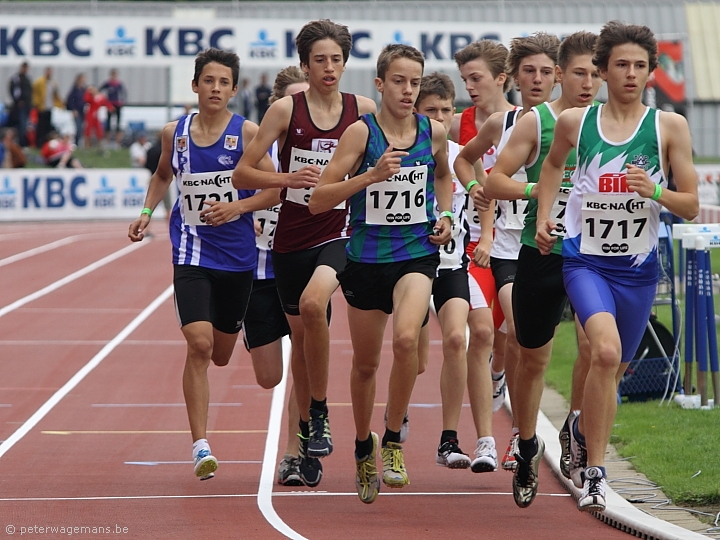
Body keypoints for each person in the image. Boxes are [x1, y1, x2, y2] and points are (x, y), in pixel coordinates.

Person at [535, 21, 698, 512]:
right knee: (603, 354)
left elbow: (689, 205)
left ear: (651, 73)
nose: (630, 74)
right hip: (585, 262)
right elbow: (551, 166)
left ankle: (578, 427)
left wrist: (656, 192)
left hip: (638, 269)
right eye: (621, 65)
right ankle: (598, 476)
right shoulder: (576, 124)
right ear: (603, 71)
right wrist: (546, 215)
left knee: (616, 365)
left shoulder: (669, 127)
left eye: (640, 66)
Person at [233, 19, 376, 488]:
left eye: (336, 59)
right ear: (304, 63)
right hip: (289, 240)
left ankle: (319, 412)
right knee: (298, 346)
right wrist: (285, 180)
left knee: (316, 304)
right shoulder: (283, 110)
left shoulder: (363, 110)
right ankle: (307, 431)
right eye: (320, 60)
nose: (329, 68)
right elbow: (243, 175)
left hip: (339, 233)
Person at [310, 44, 453, 504]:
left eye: (415, 82)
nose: (408, 91)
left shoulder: (433, 131)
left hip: (416, 254)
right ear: (380, 84)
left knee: (408, 339)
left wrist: (446, 214)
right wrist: (370, 177)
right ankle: (361, 445)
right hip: (366, 259)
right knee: (367, 364)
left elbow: (444, 177)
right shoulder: (360, 133)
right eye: (399, 81)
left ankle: (392, 439)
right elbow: (320, 199)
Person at [128, 47, 276, 481]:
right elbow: (161, 175)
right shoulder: (173, 133)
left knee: (223, 353)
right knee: (199, 344)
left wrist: (236, 209)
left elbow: (272, 190)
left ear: (233, 89)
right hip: (191, 251)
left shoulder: (247, 133)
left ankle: (233, 334)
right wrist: (145, 212)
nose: (215, 88)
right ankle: (200, 444)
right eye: (208, 81)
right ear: (195, 85)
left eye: (224, 82)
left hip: (238, 259)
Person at [484, 31, 602, 508]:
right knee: (532, 357)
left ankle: (576, 421)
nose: (589, 82)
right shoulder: (538, 122)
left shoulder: (618, 126)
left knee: (600, 350)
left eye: (597, 73)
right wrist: (540, 197)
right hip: (544, 252)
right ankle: (529, 442)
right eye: (579, 73)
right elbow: (493, 178)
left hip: (596, 258)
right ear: (559, 73)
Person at [455, 32, 560, 474]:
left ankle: (519, 426)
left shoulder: (572, 125)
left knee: (521, 338)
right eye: (529, 71)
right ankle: (505, 432)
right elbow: (464, 161)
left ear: (556, 78)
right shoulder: (502, 123)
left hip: (543, 244)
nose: (536, 80)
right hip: (501, 246)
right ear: (514, 76)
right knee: (504, 329)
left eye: (545, 72)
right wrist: (479, 189)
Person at [412, 73, 498, 474]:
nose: (442, 118)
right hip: (412, 267)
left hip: (453, 266)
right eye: (432, 111)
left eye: (447, 110)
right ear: (417, 112)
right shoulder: (408, 155)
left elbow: (484, 197)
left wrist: (485, 238)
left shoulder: (464, 152)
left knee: (473, 334)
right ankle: (398, 417)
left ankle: (479, 441)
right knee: (412, 358)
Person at [236, 65, 309, 486]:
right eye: (295, 101)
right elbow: (233, 187)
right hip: (260, 269)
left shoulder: (328, 147)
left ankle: (295, 452)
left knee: (304, 359)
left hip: (304, 262)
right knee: (270, 377)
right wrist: (250, 212)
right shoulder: (258, 147)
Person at [450, 40, 515, 430]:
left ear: (501, 78)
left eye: (476, 78)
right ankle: (479, 433)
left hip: (514, 236)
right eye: (465, 79)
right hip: (473, 239)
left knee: (508, 333)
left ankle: (499, 374)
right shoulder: (461, 123)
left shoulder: (526, 121)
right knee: (482, 328)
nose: (470, 86)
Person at [31, 67, 63, 149]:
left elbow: (56, 94)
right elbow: (35, 93)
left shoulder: (52, 82)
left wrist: (60, 104)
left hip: (49, 107)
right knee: (40, 127)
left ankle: (45, 143)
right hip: (41, 107)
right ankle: (39, 143)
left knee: (47, 127)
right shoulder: (40, 82)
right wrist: (36, 103)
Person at [8, 61, 32, 147]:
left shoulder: (27, 78)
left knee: (25, 125)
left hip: (27, 105)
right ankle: (20, 143)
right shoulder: (17, 78)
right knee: (21, 125)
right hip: (19, 106)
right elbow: (14, 91)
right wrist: (18, 101)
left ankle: (22, 143)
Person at [100, 69, 127, 145]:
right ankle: (107, 141)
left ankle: (117, 142)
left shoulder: (119, 84)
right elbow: (100, 90)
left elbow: (124, 93)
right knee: (108, 123)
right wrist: (105, 101)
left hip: (118, 104)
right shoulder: (108, 84)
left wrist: (122, 102)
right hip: (110, 104)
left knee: (118, 123)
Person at [66, 73, 87, 147]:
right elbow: (70, 100)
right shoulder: (74, 89)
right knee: (78, 128)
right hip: (77, 111)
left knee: (82, 128)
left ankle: (81, 143)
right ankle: (77, 143)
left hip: (83, 111)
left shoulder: (84, 89)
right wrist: (73, 109)